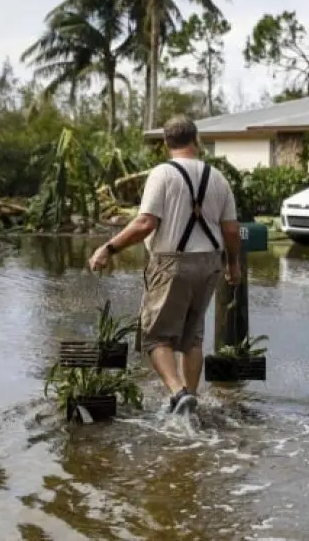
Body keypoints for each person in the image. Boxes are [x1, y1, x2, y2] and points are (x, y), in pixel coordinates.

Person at [88, 114, 242, 415]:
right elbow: (232, 231)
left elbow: (145, 223)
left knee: (156, 336)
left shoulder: (163, 174)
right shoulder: (218, 177)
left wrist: (109, 247)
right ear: (196, 140)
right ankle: (191, 400)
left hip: (172, 263)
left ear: (166, 144)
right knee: (192, 336)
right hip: (210, 263)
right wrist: (233, 265)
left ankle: (178, 392)